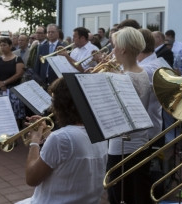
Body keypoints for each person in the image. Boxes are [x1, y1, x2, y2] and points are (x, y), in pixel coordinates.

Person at [18, 77, 108, 204]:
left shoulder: (61, 138)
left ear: (60, 105)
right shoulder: (98, 132)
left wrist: (34, 141)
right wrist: (46, 132)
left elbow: (31, 179)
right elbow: (69, 150)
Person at [107, 27, 152, 204]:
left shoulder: (123, 78)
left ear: (123, 49)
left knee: (119, 195)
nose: (113, 51)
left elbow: (112, 114)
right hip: (140, 141)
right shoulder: (141, 72)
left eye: (115, 46)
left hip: (122, 146)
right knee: (138, 193)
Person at [0, 37, 25, 127]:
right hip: (0, 90)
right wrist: (0, 84)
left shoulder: (17, 59)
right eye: (1, 45)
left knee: (15, 116)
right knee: (0, 115)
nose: (2, 47)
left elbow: (19, 74)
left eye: (4, 45)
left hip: (13, 91)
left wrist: (5, 83)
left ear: (10, 46)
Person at [33, 24, 65, 88]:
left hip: (57, 81)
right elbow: (37, 65)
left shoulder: (64, 47)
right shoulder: (42, 47)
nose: (50, 34)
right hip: (43, 81)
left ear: (57, 33)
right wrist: (36, 80)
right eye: (48, 32)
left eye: (52, 32)